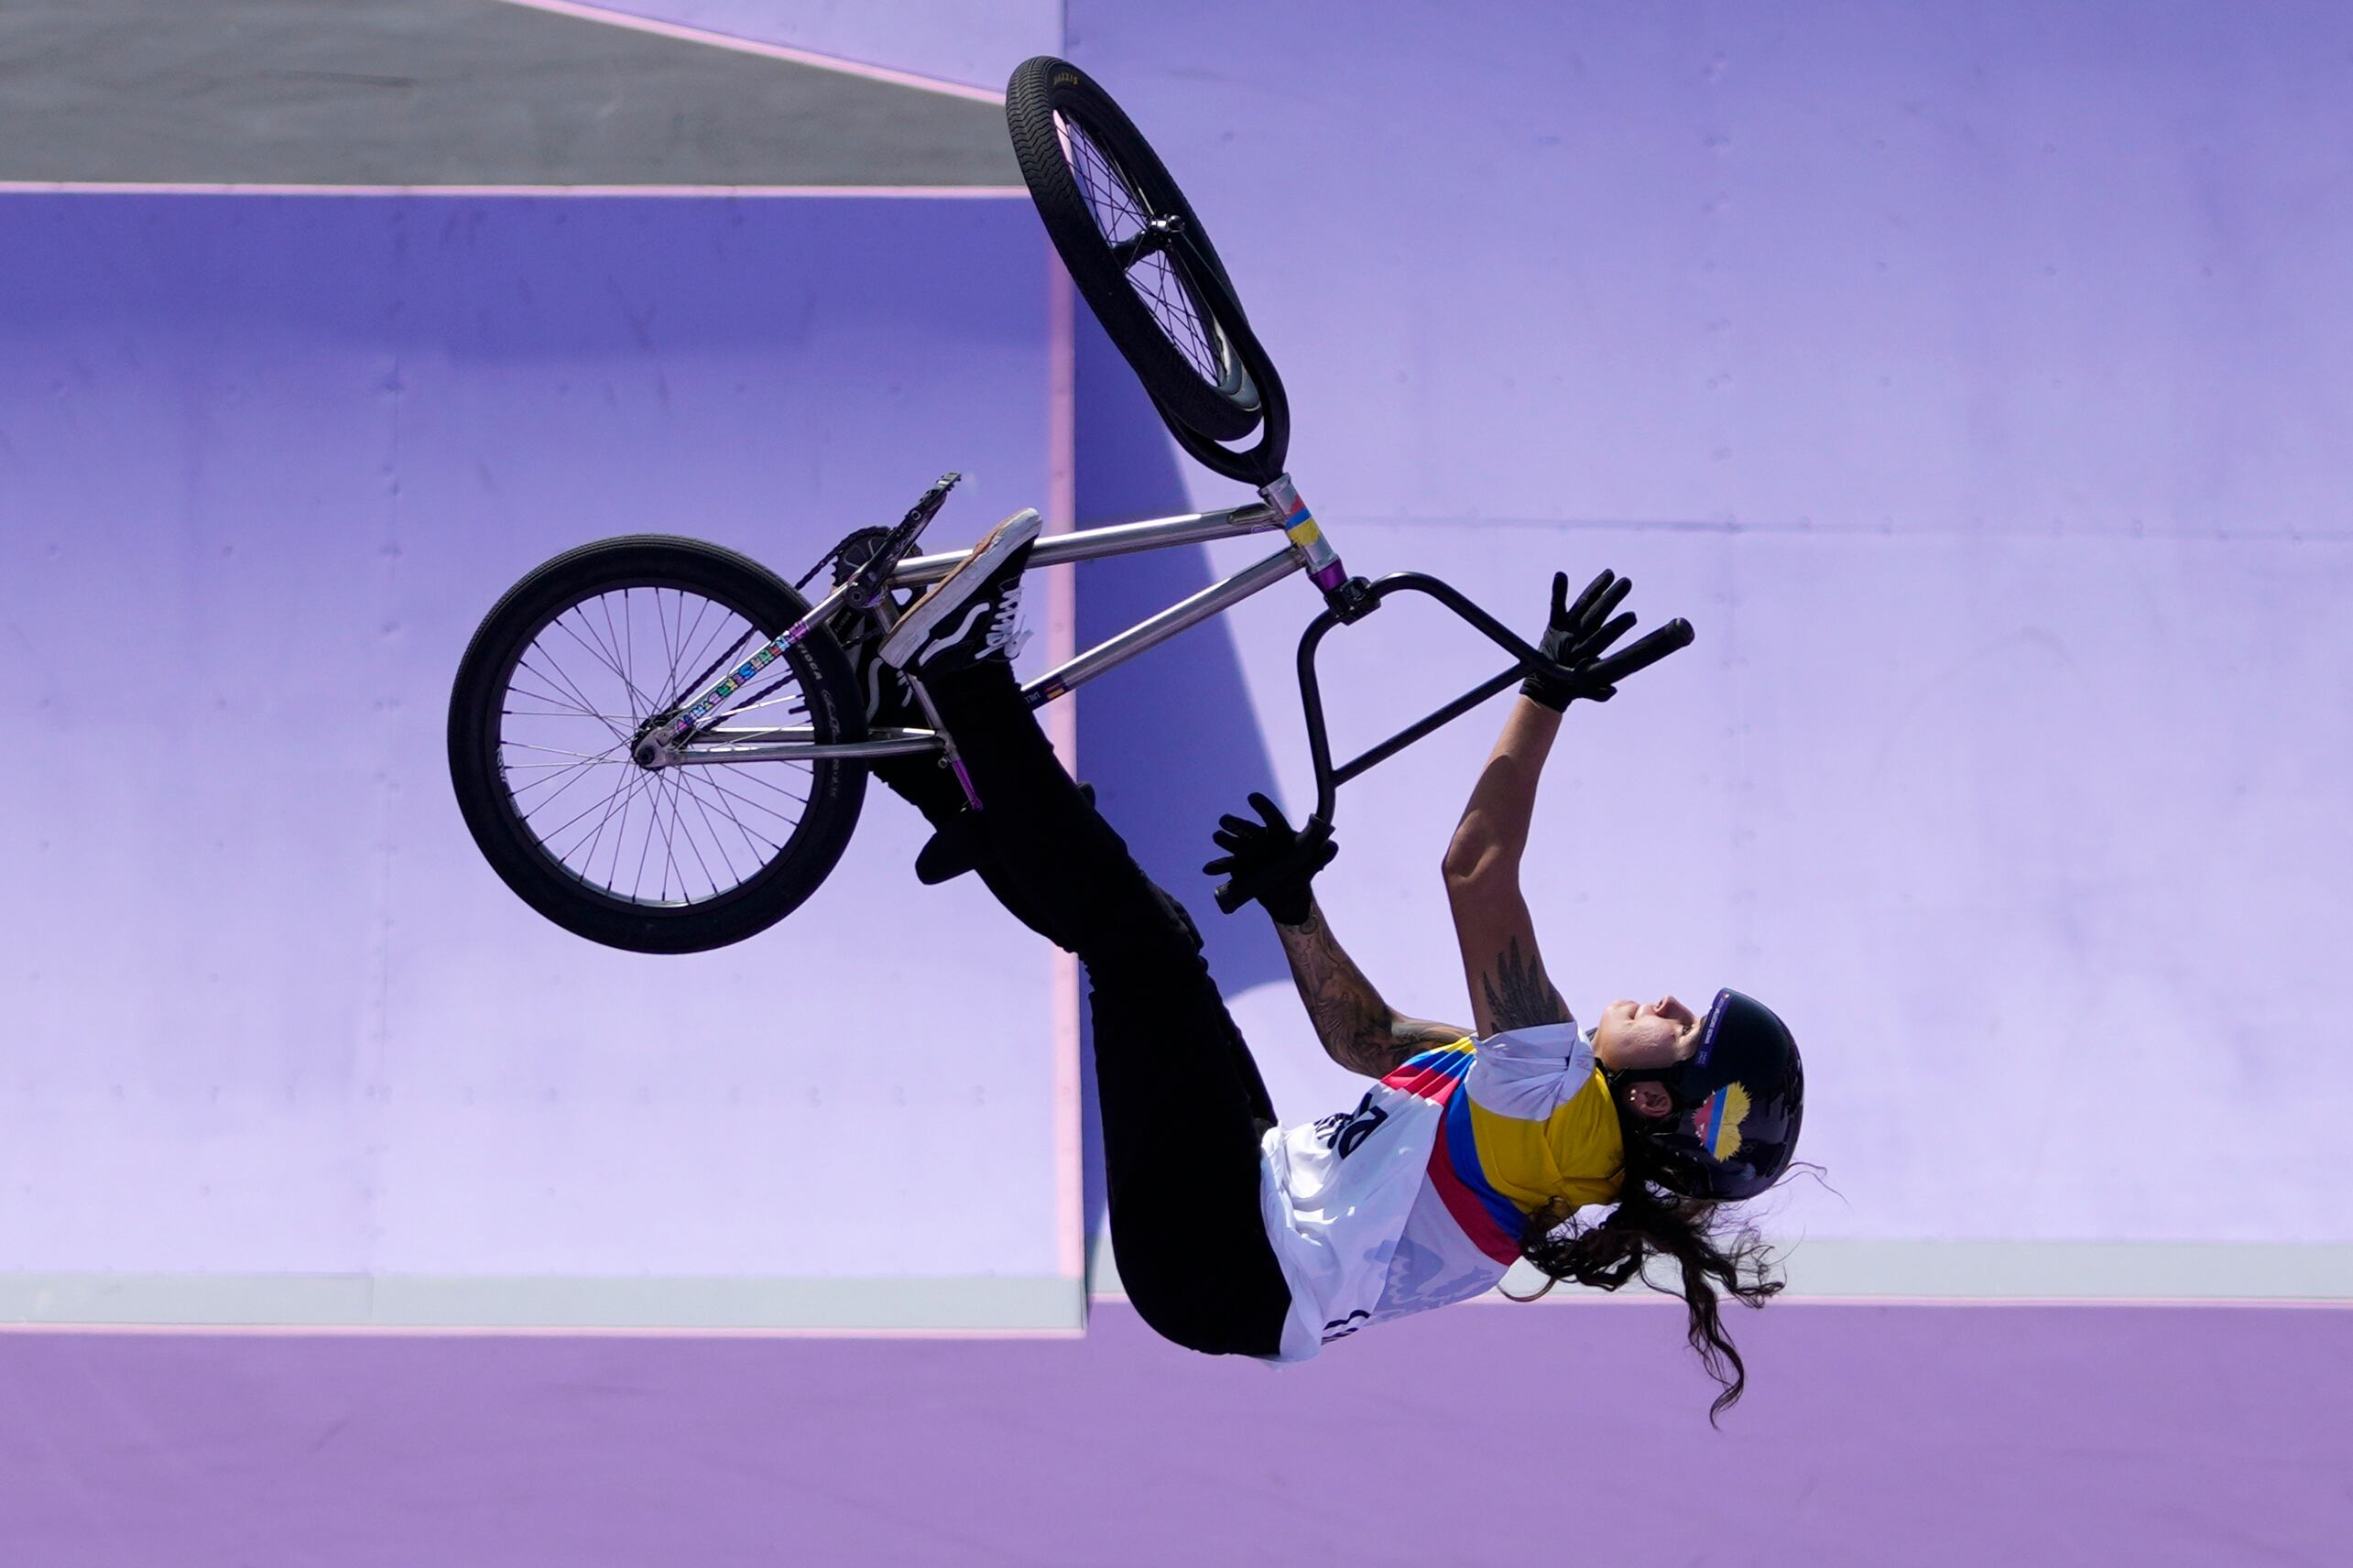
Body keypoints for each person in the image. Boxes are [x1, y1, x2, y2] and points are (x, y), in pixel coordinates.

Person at [857, 509, 1804, 1419]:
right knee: (1155, 940)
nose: (1668, 1001)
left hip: (1227, 1246)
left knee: (1141, 950)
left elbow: (1475, 870)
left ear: (1655, 1100)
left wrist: (1544, 692)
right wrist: (1294, 906)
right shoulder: (1552, 1135)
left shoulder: (1555, 1104)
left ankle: (959, 672)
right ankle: (902, 734)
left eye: (1684, 1028)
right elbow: (1369, 1040)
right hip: (1238, 1233)